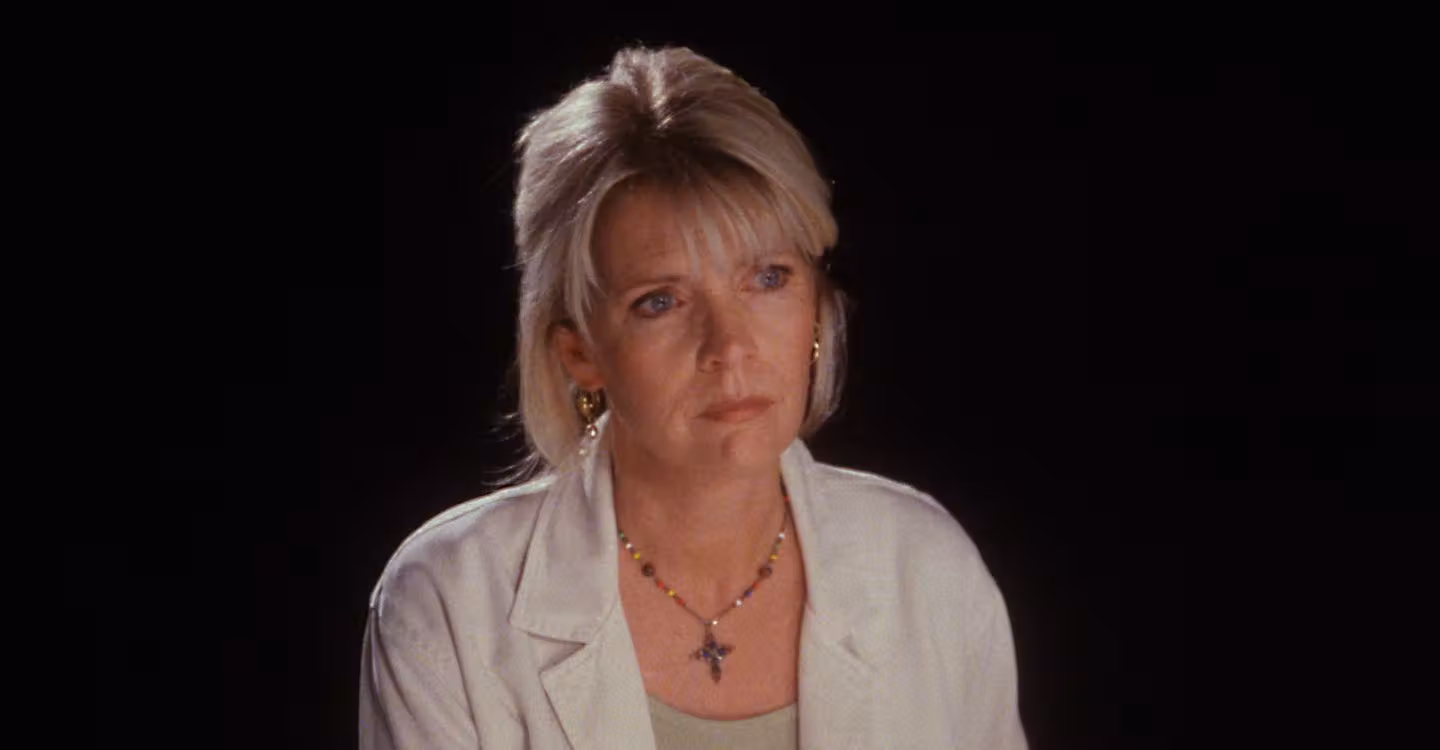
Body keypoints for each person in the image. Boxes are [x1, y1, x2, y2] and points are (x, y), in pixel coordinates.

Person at [360, 45, 1028, 749]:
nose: (729, 346)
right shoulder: (450, 602)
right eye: (661, 301)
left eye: (767, 278)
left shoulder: (926, 569)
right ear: (580, 352)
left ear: (816, 306)